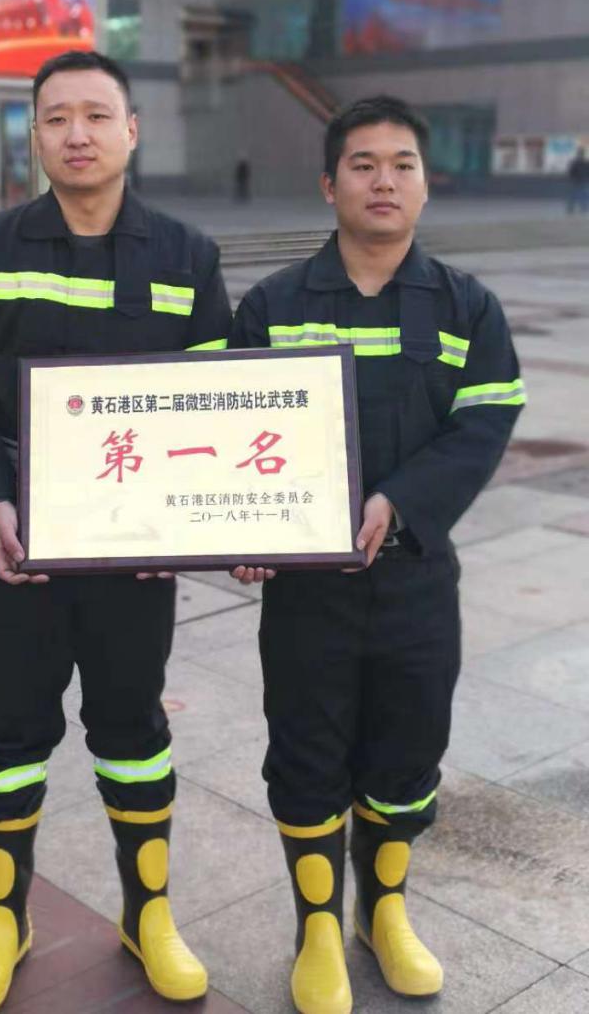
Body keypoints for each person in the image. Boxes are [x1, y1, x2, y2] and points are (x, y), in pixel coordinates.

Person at [0, 50, 231, 1012]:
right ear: (35, 135)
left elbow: (213, 402)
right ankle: (2, 922)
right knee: (11, 730)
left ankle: (148, 916)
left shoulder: (186, 256)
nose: (78, 134)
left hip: (136, 555)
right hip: (21, 541)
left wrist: (181, 527)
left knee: (133, 729)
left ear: (132, 130)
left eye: (97, 115)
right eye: (56, 117)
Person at [229, 95, 525, 1014]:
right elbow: (232, 431)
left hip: (416, 581)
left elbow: (484, 422)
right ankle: (318, 926)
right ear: (330, 185)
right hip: (306, 594)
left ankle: (382, 912)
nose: (383, 181)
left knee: (407, 749)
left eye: (402, 164)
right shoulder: (274, 306)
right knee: (306, 753)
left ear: (426, 185)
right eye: (363, 164)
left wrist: (399, 503)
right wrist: (246, 531)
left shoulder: (467, 308)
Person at [566, 146, 589, 214]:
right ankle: (583, 208)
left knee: (573, 195)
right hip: (584, 180)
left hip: (576, 181)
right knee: (583, 195)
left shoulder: (574, 162)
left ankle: (570, 208)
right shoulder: (586, 162)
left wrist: (572, 178)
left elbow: (571, 172)